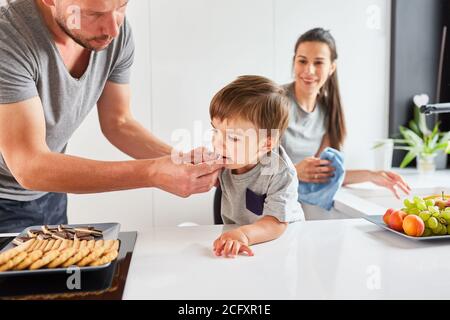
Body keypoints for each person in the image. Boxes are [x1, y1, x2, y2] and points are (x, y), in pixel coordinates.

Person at [0, 0, 222, 233]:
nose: (113, 30)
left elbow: (119, 123)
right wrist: (153, 172)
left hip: (51, 191)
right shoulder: (9, 41)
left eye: (122, 7)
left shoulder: (115, 33)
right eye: (94, 14)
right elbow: (29, 166)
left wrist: (182, 161)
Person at [281, 28, 411, 203]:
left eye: (318, 63)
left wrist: (371, 175)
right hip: (264, 208)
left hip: (295, 204)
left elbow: (325, 173)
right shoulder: (274, 102)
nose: (309, 70)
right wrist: (295, 170)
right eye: (302, 61)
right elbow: (250, 169)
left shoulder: (327, 110)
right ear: (294, 62)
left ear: (331, 68)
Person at [210, 75, 304, 258]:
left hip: (283, 243)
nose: (218, 143)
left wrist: (243, 235)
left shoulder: (279, 172)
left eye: (233, 138)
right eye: (215, 131)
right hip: (243, 240)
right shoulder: (228, 158)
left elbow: (276, 223)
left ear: (266, 144)